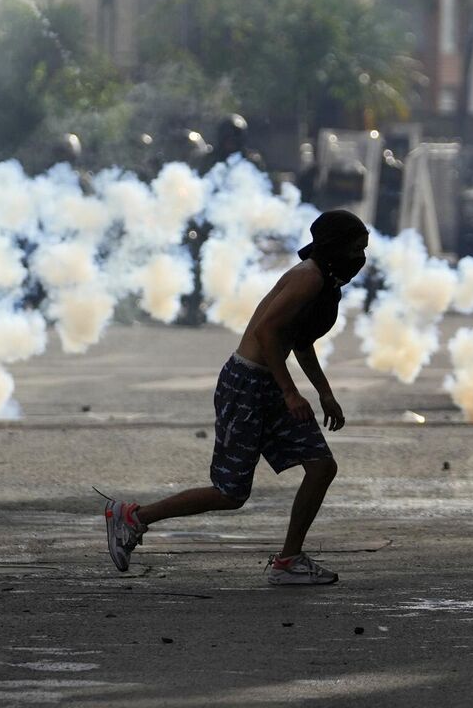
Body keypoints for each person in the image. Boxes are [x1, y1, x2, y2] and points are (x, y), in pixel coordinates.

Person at [97, 209, 365, 587]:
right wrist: (290, 392)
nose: (360, 257)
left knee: (321, 466)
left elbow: (301, 343)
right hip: (247, 384)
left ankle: (289, 561)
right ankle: (134, 517)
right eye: (356, 247)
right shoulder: (308, 279)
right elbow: (268, 333)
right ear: (335, 247)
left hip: (267, 382)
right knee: (230, 492)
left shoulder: (324, 284)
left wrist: (325, 394)